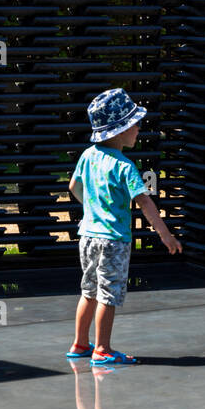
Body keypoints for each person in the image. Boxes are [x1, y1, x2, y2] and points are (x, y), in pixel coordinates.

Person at [66, 87, 181, 365]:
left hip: (88, 236)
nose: (139, 128)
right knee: (109, 295)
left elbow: (73, 186)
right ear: (118, 131)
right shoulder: (125, 166)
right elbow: (144, 202)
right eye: (134, 124)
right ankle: (103, 349)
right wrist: (165, 234)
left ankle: (80, 344)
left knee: (89, 291)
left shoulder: (88, 155)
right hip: (113, 240)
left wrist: (91, 209)